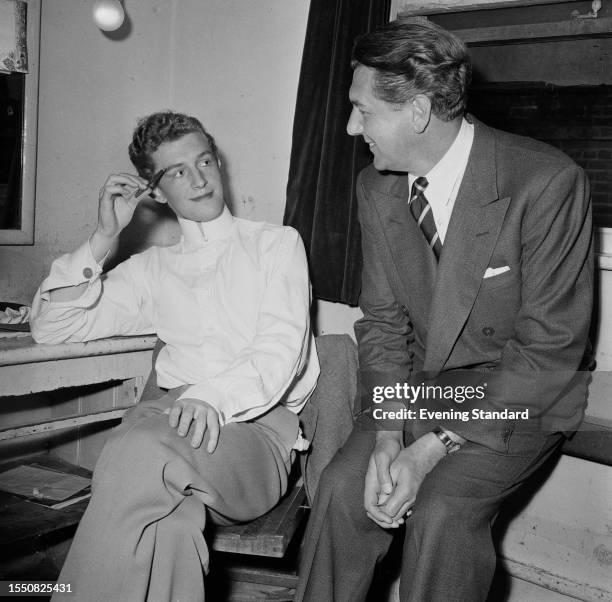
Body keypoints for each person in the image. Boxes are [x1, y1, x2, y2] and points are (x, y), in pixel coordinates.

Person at [295, 19, 593, 602]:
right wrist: (386, 435)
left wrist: (432, 447)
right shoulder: (376, 187)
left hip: (522, 392)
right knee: (339, 488)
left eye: (363, 110)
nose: (353, 127)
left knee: (442, 511)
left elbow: (549, 350)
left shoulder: (547, 181)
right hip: (423, 391)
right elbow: (383, 326)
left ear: (419, 111)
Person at [30, 110, 320, 602]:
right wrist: (104, 239)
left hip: (254, 437)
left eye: (204, 160)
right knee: (166, 530)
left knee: (135, 451)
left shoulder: (276, 245)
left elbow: (279, 350)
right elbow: (54, 325)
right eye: (179, 171)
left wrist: (210, 397)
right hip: (165, 428)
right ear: (156, 191)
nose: (201, 178)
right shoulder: (152, 269)